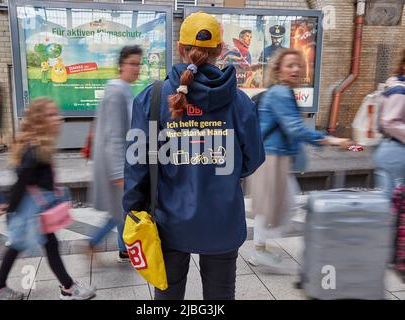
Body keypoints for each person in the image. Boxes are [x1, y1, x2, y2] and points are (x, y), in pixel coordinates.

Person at [123, 11, 265, 300]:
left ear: (180, 48)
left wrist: (132, 211)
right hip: (222, 220)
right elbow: (253, 159)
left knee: (168, 296)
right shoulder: (239, 102)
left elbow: (137, 165)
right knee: (220, 296)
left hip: (169, 222)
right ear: (220, 51)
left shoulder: (152, 98)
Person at [248, 48, 350, 273]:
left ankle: (259, 249)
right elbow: (294, 129)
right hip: (271, 157)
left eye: (298, 65)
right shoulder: (281, 93)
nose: (295, 69)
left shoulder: (280, 92)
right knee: (282, 205)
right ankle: (261, 250)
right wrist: (330, 140)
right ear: (278, 70)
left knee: (273, 205)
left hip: (272, 155)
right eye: (289, 65)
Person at [0, 98, 96, 300]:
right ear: (39, 119)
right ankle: (66, 288)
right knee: (23, 244)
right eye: (52, 115)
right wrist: (11, 207)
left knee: (43, 245)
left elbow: (26, 179)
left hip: (35, 207)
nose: (59, 118)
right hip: (30, 209)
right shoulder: (34, 149)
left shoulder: (38, 145)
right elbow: (22, 181)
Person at [88, 45, 142, 262]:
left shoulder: (124, 89)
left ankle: (123, 248)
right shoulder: (116, 90)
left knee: (122, 208)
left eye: (139, 64)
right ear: (121, 65)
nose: (137, 68)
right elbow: (114, 135)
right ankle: (93, 243)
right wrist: (119, 171)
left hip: (122, 161)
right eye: (132, 63)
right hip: (116, 163)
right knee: (122, 208)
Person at [372, 49, 405, 199]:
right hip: (396, 151)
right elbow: (390, 121)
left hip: (390, 149)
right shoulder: (399, 90)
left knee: (389, 201)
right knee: (390, 202)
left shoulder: (395, 86)